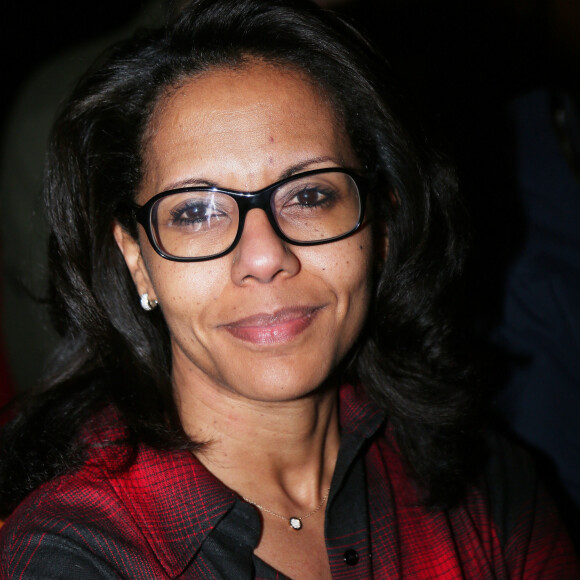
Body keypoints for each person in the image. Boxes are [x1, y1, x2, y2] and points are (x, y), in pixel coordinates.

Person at [0, 0, 577, 577]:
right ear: (138, 261)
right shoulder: (75, 554)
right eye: (197, 212)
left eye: (309, 196)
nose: (265, 257)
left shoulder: (484, 484)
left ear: (380, 229)